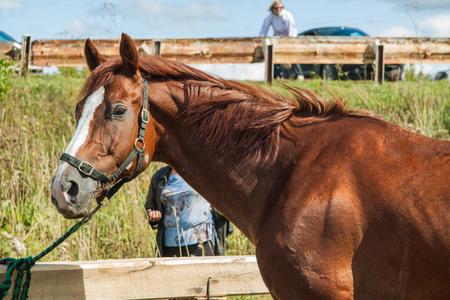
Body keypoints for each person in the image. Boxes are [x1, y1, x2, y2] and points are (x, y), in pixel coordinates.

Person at [145, 165, 232, 257]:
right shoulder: (160, 176)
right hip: (170, 244)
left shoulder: (206, 171)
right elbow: (151, 207)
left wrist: (212, 211)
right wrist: (153, 217)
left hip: (202, 241)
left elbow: (228, 203)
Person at [259, 1, 304, 80]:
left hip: (288, 38)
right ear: (272, 9)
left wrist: (290, 42)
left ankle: (298, 74)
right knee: (272, 55)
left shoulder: (287, 15)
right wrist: (262, 40)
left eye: (280, 8)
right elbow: (264, 30)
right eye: (276, 8)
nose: (278, 10)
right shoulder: (270, 17)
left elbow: (292, 30)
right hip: (276, 38)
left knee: (293, 55)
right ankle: (275, 76)